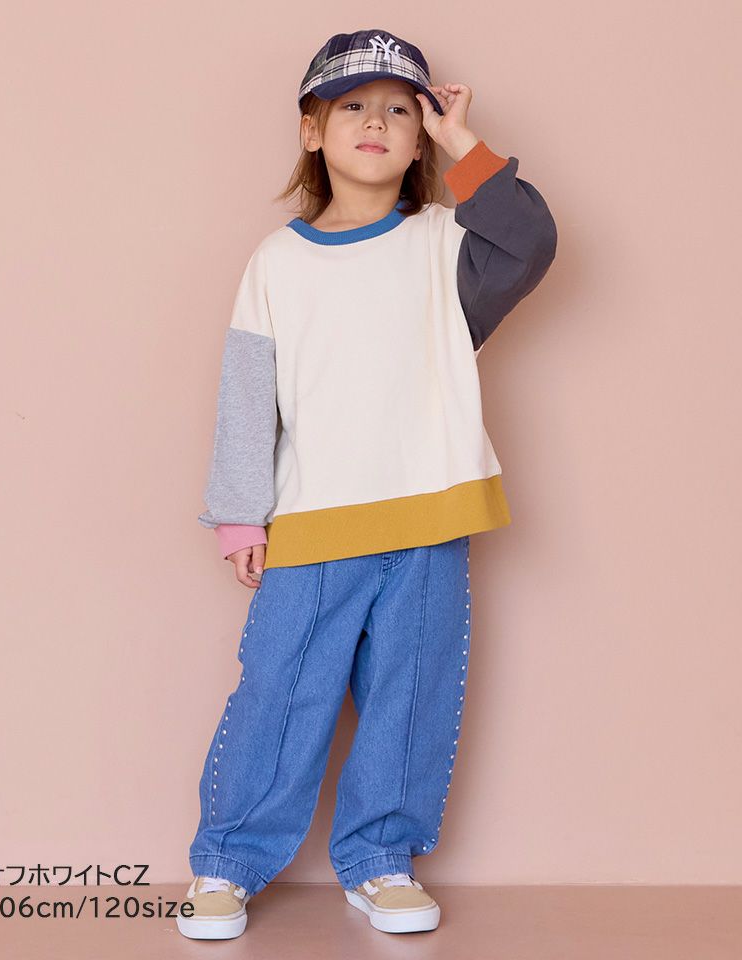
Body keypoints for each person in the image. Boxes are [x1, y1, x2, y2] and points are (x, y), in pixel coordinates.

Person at [177, 28, 557, 940]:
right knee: (280, 695)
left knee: (410, 695)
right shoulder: (277, 262)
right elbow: (248, 395)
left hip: (430, 519)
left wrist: (467, 145)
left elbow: (532, 242)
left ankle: (382, 859)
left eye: (400, 109)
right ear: (312, 130)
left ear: (422, 137)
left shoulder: (448, 246)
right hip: (314, 522)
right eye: (352, 106)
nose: (376, 123)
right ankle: (227, 862)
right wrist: (240, 515)